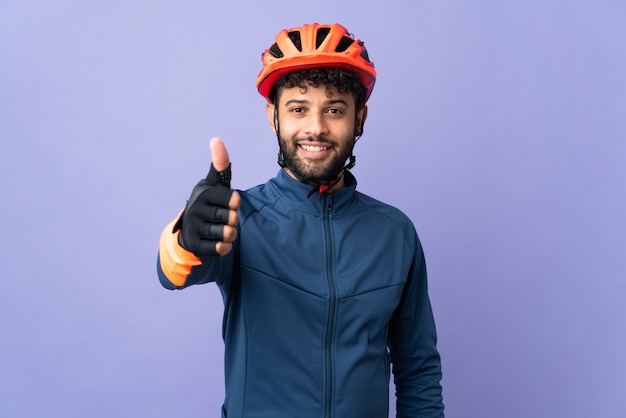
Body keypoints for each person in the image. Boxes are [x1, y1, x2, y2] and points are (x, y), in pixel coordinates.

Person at [157, 22, 444, 418]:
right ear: (273, 116)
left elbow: (418, 369)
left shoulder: (395, 234)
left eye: (334, 110)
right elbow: (174, 273)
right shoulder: (240, 218)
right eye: (298, 108)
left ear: (359, 119)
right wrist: (187, 236)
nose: (316, 127)